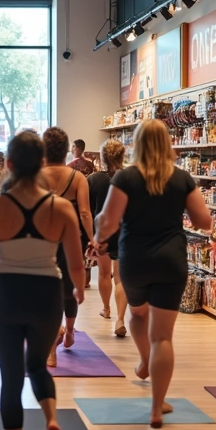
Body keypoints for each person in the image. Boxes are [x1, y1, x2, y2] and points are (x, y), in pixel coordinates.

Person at [0, 130, 84, 430]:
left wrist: (2, 266)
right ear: (42, 163)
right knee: (37, 365)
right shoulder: (61, 207)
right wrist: (78, 290)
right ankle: (51, 420)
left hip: (7, 292)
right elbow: (76, 264)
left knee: (10, 377)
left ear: (7, 164)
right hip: (48, 293)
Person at [93, 119, 211, 428]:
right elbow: (203, 220)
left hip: (134, 261)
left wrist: (98, 237)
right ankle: (157, 408)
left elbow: (108, 221)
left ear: (138, 143)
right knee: (164, 338)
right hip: (171, 261)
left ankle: (144, 360)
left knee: (138, 315)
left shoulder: (126, 178)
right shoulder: (182, 179)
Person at [40, 128, 94, 364]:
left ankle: (51, 345)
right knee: (69, 288)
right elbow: (84, 212)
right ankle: (69, 332)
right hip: (72, 239)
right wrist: (93, 238)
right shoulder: (77, 177)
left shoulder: (36, 176)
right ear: (66, 150)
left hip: (43, 239)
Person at [89, 140, 128, 337]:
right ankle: (121, 319)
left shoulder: (94, 179)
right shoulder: (129, 178)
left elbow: (87, 208)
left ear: (102, 157)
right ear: (122, 156)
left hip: (102, 232)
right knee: (120, 278)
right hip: (123, 231)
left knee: (104, 274)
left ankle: (107, 309)